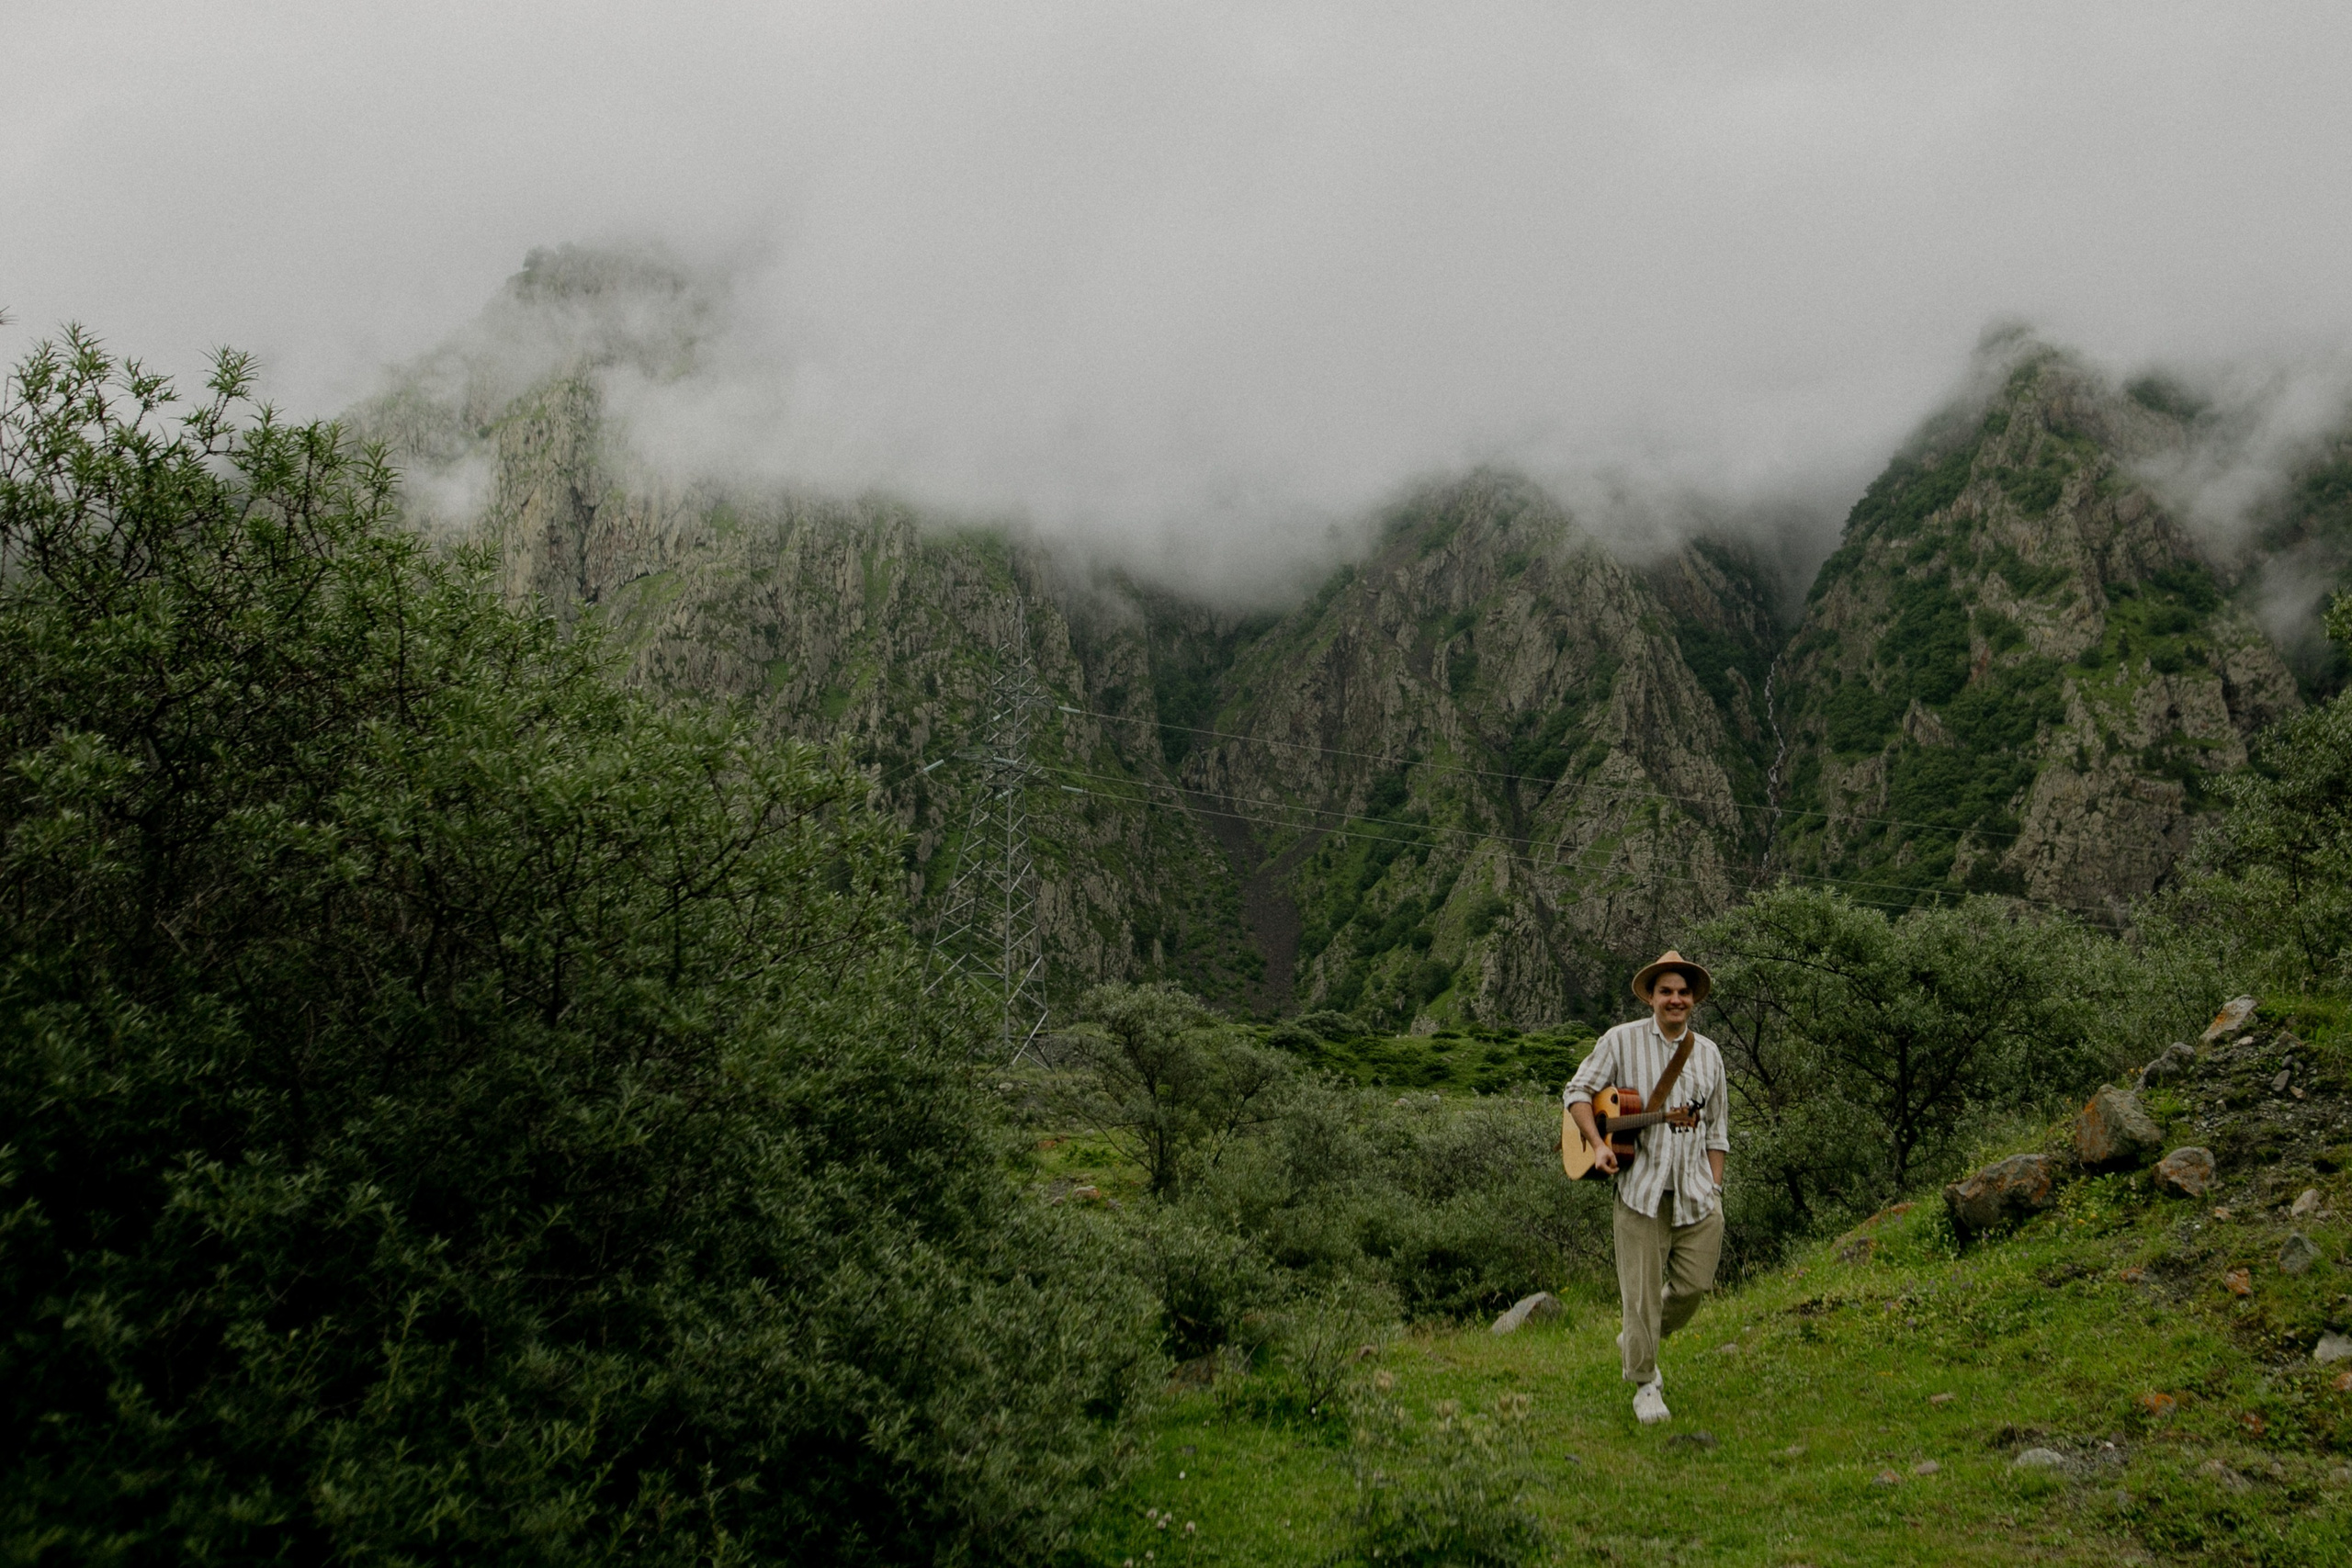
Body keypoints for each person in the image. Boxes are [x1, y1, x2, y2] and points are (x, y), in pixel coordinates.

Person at [1563, 950, 1730, 1426]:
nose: (1675, 999)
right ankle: (1644, 1382)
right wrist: (1597, 1144)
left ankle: (1639, 1337)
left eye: (1683, 992)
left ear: (1693, 999)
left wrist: (1715, 1185)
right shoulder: (1620, 1040)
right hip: (1640, 1190)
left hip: (1697, 1191)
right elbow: (1576, 1093)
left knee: (1695, 1285)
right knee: (1639, 1295)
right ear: (1652, 998)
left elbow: (1717, 1130)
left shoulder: (1710, 1054)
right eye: (1666, 992)